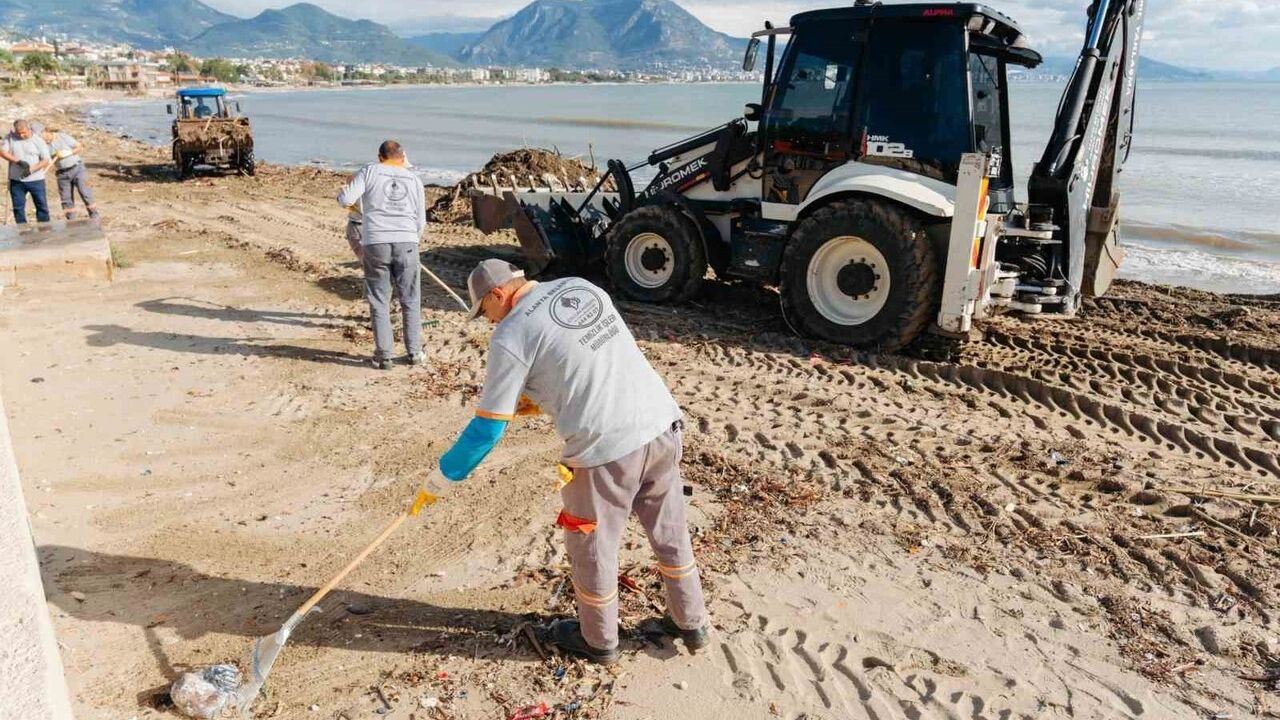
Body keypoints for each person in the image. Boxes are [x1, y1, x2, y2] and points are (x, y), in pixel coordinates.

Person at [421, 259, 710, 664]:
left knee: (592, 546)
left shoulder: (510, 333)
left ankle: (598, 641)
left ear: (497, 295)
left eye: (484, 312)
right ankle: (691, 622)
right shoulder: (580, 285)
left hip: (605, 450)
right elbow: (585, 361)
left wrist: (443, 476)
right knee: (670, 531)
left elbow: (486, 431)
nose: (488, 321)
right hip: (661, 425)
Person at [336, 140, 425, 369]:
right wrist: (411, 240)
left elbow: (345, 198)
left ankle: (384, 356)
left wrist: (363, 212)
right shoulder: (414, 179)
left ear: (380, 156)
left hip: (376, 241)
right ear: (402, 156)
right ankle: (414, 353)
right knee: (410, 299)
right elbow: (420, 220)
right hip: (407, 241)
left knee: (379, 300)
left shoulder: (370, 171)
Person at [1, 119, 53, 224]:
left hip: (36, 180)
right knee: (18, 207)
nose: (21, 135)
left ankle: (44, 228)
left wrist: (31, 170)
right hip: (17, 181)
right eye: (18, 133)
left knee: (41, 205)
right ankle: (22, 230)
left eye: (24, 133)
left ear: (28, 129)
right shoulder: (10, 138)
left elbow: (46, 160)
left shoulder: (38, 140)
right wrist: (17, 161)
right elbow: (2, 152)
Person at [42, 126, 99, 220]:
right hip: (62, 174)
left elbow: (79, 147)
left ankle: (94, 216)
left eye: (42, 135)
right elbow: (46, 160)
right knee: (66, 199)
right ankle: (71, 220)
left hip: (77, 169)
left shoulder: (62, 137)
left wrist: (68, 153)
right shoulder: (42, 145)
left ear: (46, 131)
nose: (42, 139)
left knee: (85, 193)